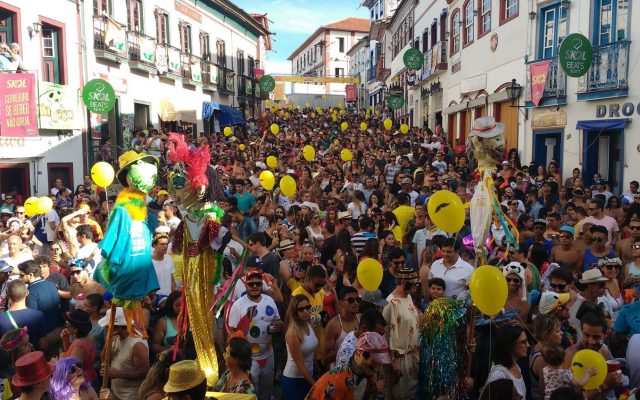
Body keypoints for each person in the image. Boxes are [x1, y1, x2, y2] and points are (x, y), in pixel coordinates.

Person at [227, 268, 282, 400]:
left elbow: (278, 321)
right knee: (252, 393)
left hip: (268, 356)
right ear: (246, 285)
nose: (255, 286)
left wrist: (279, 326)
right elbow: (231, 333)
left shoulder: (269, 300)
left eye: (258, 283)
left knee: (267, 390)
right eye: (251, 284)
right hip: (249, 360)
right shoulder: (238, 305)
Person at [305, 331, 392, 400]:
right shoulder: (336, 383)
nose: (376, 369)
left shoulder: (368, 373)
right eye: (374, 361)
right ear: (359, 352)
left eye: (379, 362)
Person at [563, 311, 624, 399]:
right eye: (586, 335)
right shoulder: (570, 356)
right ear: (581, 331)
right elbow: (572, 398)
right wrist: (605, 385)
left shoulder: (604, 350)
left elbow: (615, 373)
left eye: (596, 337)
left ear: (605, 335)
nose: (591, 341)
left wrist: (617, 378)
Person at [383, 264, 420, 399]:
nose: (416, 287)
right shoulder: (391, 303)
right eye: (413, 284)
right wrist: (392, 362)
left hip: (413, 356)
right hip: (399, 360)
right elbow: (386, 334)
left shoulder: (409, 296)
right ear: (403, 282)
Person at [99, 307, 150, 400]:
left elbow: (144, 372)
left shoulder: (137, 344)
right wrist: (107, 345)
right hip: (115, 392)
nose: (106, 329)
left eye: (108, 326)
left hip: (131, 396)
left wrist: (119, 374)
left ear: (117, 327)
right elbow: (103, 360)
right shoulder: (114, 337)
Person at [283, 294, 318, 399]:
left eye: (307, 307)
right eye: (301, 309)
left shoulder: (308, 323)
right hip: (294, 381)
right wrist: (316, 385)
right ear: (294, 311)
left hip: (309, 377)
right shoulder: (292, 332)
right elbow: (300, 365)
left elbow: (312, 353)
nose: (305, 311)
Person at [291, 264, 327, 364]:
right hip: (306, 348)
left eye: (322, 285)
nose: (320, 288)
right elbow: (291, 320)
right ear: (309, 279)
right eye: (317, 284)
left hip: (320, 344)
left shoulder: (320, 292)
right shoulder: (297, 294)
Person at [484, 325, 529, 399]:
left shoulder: (517, 366)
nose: (528, 345)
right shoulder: (498, 375)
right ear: (511, 345)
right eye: (523, 342)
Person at [0, 280, 46, 350]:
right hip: (32, 358)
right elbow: (43, 344)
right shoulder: (38, 315)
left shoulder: (1, 319)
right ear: (27, 293)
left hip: (12, 360)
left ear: (7, 295)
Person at [322, 286, 360, 368]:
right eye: (351, 300)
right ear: (341, 302)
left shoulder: (361, 319)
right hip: (340, 375)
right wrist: (346, 348)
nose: (356, 303)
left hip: (359, 374)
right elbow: (324, 359)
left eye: (358, 299)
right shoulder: (333, 325)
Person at [60, 310, 97, 384]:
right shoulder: (88, 336)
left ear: (75, 329)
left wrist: (60, 358)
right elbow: (70, 352)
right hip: (89, 378)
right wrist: (65, 340)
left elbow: (72, 371)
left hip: (83, 385)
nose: (64, 327)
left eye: (67, 325)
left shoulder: (79, 346)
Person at [150, 291, 181, 355]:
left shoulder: (193, 320)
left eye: (183, 304)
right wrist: (168, 351)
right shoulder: (163, 322)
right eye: (177, 305)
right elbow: (154, 345)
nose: (180, 308)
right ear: (171, 306)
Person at [150, 232, 176, 296]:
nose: (165, 247)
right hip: (156, 297)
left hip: (169, 296)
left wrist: (175, 293)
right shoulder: (149, 262)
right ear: (154, 245)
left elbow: (171, 278)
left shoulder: (169, 258)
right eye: (162, 244)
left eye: (166, 244)